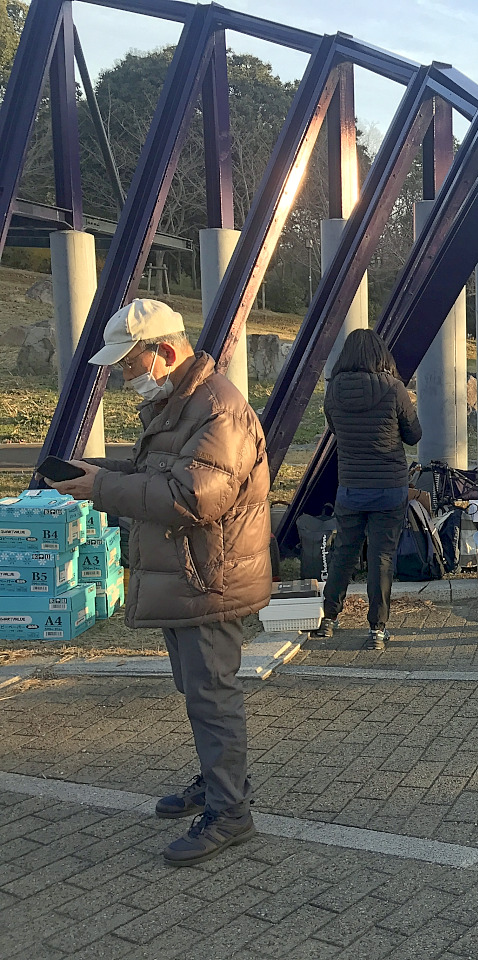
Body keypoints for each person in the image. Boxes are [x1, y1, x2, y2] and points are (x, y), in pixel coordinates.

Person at [48, 299, 271, 866]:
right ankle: (218, 781)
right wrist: (99, 474)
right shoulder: (181, 403)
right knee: (198, 692)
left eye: (130, 364)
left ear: (165, 353)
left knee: (212, 696)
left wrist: (102, 488)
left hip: (209, 577)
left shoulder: (217, 409)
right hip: (189, 574)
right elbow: (160, 476)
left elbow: (193, 497)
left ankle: (230, 811)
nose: (126, 377)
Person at [309, 329, 421, 651]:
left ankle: (329, 619)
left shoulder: (333, 391)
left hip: (351, 488)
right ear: (380, 355)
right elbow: (414, 435)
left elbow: (335, 429)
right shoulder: (394, 389)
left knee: (344, 552)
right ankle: (377, 629)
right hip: (389, 488)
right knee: (381, 557)